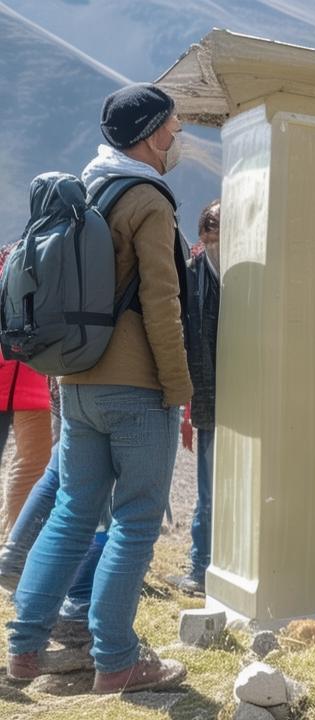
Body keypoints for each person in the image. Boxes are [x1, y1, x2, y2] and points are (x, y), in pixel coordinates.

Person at [7, 83, 192, 693]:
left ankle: (24, 648)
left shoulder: (87, 188)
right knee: (137, 523)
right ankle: (117, 660)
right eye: (172, 127)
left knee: (69, 514)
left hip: (74, 382)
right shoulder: (148, 199)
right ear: (150, 132)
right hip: (135, 387)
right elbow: (162, 303)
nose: (178, 138)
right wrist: (178, 386)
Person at [166, 200, 220, 596]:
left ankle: (203, 570)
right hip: (214, 398)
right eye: (210, 236)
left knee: (210, 489)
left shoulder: (198, 271)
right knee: (209, 490)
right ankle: (202, 568)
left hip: (215, 397)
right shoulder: (197, 272)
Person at [0, 246, 54, 533]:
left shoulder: (9, 267)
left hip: (25, 383)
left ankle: (14, 540)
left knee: (27, 464)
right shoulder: (40, 266)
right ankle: (16, 547)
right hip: (32, 385)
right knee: (32, 465)